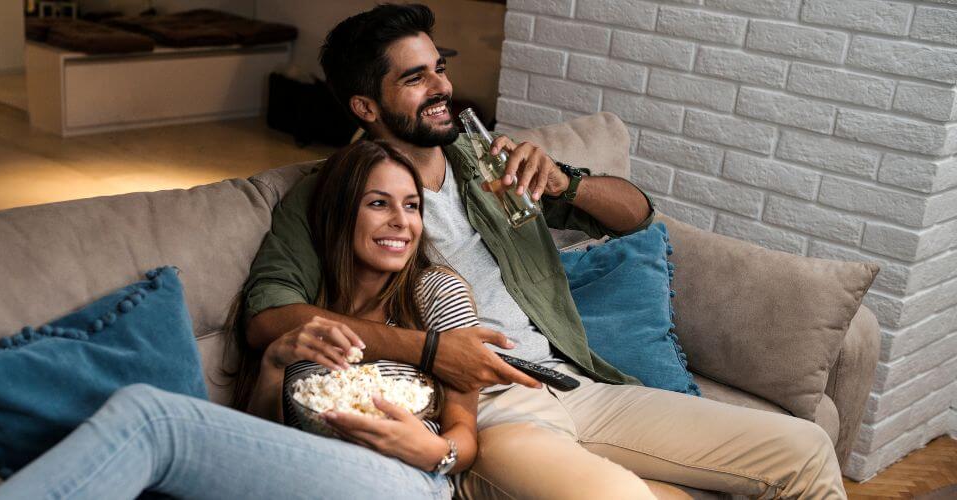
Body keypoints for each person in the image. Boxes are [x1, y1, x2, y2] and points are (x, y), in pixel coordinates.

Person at [242, 4, 846, 499]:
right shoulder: (335, 193)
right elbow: (267, 317)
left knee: (806, 449)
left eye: (439, 67)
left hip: (575, 382)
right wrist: (429, 349)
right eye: (414, 77)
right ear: (366, 108)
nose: (442, 87)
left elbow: (639, 217)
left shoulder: (487, 163)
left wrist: (566, 182)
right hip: (489, 411)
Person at [0, 140, 484, 499]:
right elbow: (264, 436)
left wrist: (432, 451)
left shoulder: (437, 293)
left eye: (413, 206)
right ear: (338, 214)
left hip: (404, 480)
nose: (403, 221)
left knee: (151, 416)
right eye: (379, 203)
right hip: (308, 475)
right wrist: (273, 364)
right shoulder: (304, 307)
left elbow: (465, 434)